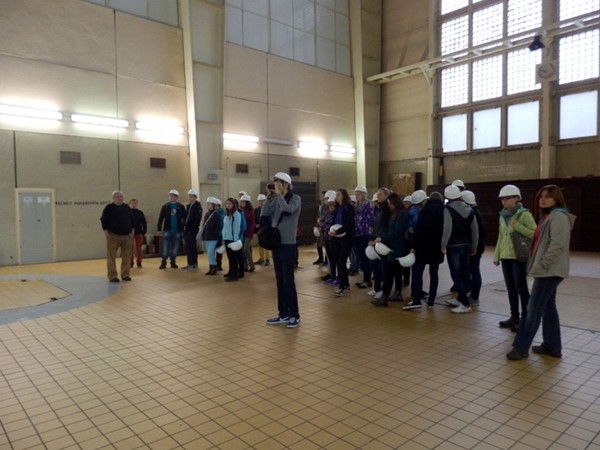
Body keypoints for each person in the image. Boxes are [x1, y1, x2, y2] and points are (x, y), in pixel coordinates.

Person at [506, 185, 576, 360]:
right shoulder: (549, 217)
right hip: (547, 270)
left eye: (548, 196)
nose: (543, 199)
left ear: (557, 199)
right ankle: (552, 346)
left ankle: (521, 347)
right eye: (541, 197)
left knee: (533, 308)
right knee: (548, 307)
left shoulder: (559, 217)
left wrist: (542, 264)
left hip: (549, 271)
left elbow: (557, 245)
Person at [493, 184, 537, 331]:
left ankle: (526, 318)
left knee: (521, 288)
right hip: (506, 256)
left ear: (517, 198)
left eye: (507, 198)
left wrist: (517, 225)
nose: (504, 201)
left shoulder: (524, 215)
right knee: (510, 288)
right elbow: (501, 236)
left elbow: (534, 234)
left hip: (519, 256)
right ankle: (514, 317)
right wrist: (497, 255)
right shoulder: (502, 215)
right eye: (502, 198)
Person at [263, 172, 302, 328]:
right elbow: (265, 213)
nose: (275, 185)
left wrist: (279, 195)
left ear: (285, 184)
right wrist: (269, 197)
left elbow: (288, 210)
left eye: (277, 182)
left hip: (288, 244)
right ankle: (283, 313)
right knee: (279, 280)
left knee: (288, 280)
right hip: (276, 243)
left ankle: (294, 315)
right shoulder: (276, 199)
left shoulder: (296, 198)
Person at [441, 185, 478, 313]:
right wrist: (474, 246)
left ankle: (465, 304)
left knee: (456, 274)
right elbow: (475, 230)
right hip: (467, 245)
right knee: (464, 273)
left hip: (453, 246)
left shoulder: (448, 209)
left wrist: (443, 245)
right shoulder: (470, 209)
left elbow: (447, 228)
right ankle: (461, 299)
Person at [404, 191, 444, 309]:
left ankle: (417, 299)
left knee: (417, 272)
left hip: (422, 247)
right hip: (436, 247)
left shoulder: (424, 211)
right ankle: (431, 300)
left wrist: (413, 245)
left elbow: (419, 230)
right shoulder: (444, 210)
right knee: (434, 273)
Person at [371, 192, 409, 307]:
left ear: (395, 203)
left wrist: (382, 237)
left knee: (391, 272)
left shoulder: (402, 214)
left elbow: (398, 232)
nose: (389, 206)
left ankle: (386, 296)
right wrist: (381, 236)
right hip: (390, 245)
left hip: (397, 246)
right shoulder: (392, 213)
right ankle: (395, 293)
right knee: (393, 271)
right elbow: (387, 228)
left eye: (390, 203)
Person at [100, 191, 134, 282]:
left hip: (127, 236)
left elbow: (132, 220)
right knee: (111, 257)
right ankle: (112, 276)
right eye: (117, 196)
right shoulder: (109, 208)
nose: (119, 198)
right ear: (113, 198)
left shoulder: (127, 207)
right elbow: (103, 221)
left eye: (121, 196)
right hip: (113, 236)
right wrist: (107, 234)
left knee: (127, 257)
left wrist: (132, 233)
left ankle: (125, 274)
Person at [328, 188, 355, 297]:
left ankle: (342, 287)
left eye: (338, 194)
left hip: (346, 238)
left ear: (344, 195)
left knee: (341, 262)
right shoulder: (338, 207)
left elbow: (349, 224)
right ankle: (345, 285)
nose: (336, 196)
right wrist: (331, 230)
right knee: (339, 261)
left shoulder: (349, 208)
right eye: (336, 195)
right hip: (337, 238)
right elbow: (334, 221)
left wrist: (337, 231)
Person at [462, 190, 486, 308]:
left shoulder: (473, 213)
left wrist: (473, 246)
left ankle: (474, 296)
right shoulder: (476, 211)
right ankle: (472, 294)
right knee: (472, 270)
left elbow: (479, 232)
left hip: (475, 247)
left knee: (474, 271)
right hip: (477, 246)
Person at [368, 187, 390, 299]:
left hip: (383, 241)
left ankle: (384, 290)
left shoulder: (387, 209)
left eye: (380, 194)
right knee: (374, 265)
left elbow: (385, 226)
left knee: (384, 268)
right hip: (376, 240)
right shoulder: (378, 208)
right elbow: (375, 225)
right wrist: (372, 238)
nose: (378, 196)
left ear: (386, 196)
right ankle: (377, 288)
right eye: (378, 194)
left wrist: (379, 237)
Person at [157, 189, 186, 269]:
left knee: (175, 247)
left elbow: (184, 219)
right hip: (167, 230)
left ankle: (173, 261)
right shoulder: (165, 206)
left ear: (177, 197)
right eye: (170, 195)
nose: (171, 197)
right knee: (165, 247)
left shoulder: (181, 207)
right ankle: (163, 262)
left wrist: (183, 230)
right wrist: (159, 228)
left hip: (177, 231)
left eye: (173, 196)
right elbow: (161, 218)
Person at [353, 186, 375, 289]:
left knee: (365, 258)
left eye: (359, 194)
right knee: (361, 257)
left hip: (364, 233)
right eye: (356, 194)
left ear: (364, 195)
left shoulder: (368, 204)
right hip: (356, 234)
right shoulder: (356, 205)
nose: (357, 196)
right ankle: (365, 278)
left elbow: (371, 219)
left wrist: (362, 225)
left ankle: (367, 280)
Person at [200, 197, 223, 275]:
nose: (208, 205)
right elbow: (204, 225)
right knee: (209, 253)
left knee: (210, 252)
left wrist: (214, 233)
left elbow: (219, 226)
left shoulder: (216, 214)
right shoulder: (207, 214)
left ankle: (214, 267)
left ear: (213, 205)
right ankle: (211, 268)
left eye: (209, 204)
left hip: (213, 237)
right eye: (207, 204)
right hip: (207, 236)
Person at [182, 189, 203, 270]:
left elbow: (196, 220)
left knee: (190, 247)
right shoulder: (189, 206)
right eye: (189, 196)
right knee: (190, 247)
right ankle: (193, 263)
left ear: (195, 197)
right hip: (187, 229)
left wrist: (190, 228)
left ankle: (191, 263)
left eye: (191, 196)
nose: (189, 198)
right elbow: (186, 218)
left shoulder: (197, 207)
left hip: (192, 230)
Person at [222, 197, 242, 281]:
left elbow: (236, 227)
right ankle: (231, 272)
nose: (228, 205)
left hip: (233, 239)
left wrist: (235, 239)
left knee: (233, 258)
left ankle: (234, 275)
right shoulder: (227, 214)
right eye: (227, 204)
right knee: (230, 257)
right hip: (227, 238)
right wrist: (223, 237)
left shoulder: (236, 214)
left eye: (230, 204)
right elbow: (225, 227)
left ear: (233, 205)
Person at [128, 198, 147, 269]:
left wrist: (143, 231)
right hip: (129, 233)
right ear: (130, 204)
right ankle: (130, 263)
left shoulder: (140, 213)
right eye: (132, 203)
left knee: (138, 248)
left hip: (138, 233)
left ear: (137, 204)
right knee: (130, 248)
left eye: (135, 203)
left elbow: (144, 222)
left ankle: (139, 262)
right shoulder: (127, 212)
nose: (134, 204)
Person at [240, 194, 256, 273]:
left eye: (243, 202)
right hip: (242, 233)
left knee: (246, 249)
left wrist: (250, 234)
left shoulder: (251, 212)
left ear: (247, 202)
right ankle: (245, 266)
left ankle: (252, 265)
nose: (241, 203)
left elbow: (252, 224)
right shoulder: (240, 211)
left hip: (248, 234)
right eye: (241, 202)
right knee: (242, 250)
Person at [313, 190, 329, 265]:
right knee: (318, 243)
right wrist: (317, 225)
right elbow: (318, 215)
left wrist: (321, 223)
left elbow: (325, 216)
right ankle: (320, 258)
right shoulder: (320, 206)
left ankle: (326, 260)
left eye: (323, 196)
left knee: (325, 244)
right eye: (322, 196)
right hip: (319, 227)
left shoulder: (328, 206)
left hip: (324, 227)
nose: (322, 198)